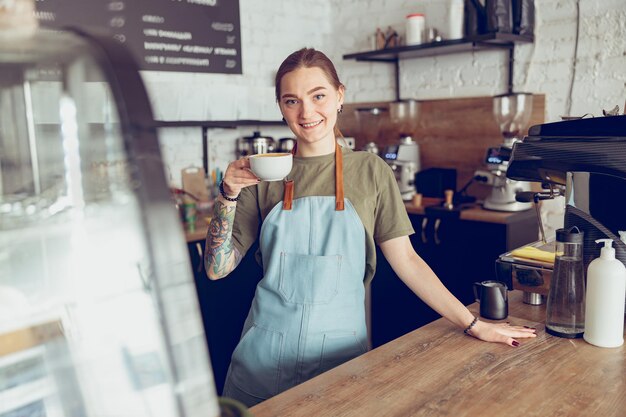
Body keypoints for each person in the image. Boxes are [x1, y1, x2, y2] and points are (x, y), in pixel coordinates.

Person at [204, 47, 536, 407]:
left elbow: (408, 261)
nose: (307, 112)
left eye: (318, 96)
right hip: (262, 358)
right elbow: (216, 269)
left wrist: (473, 324)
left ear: (339, 95)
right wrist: (228, 194)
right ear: (281, 107)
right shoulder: (262, 174)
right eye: (291, 101)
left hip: (340, 359)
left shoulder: (370, 171)